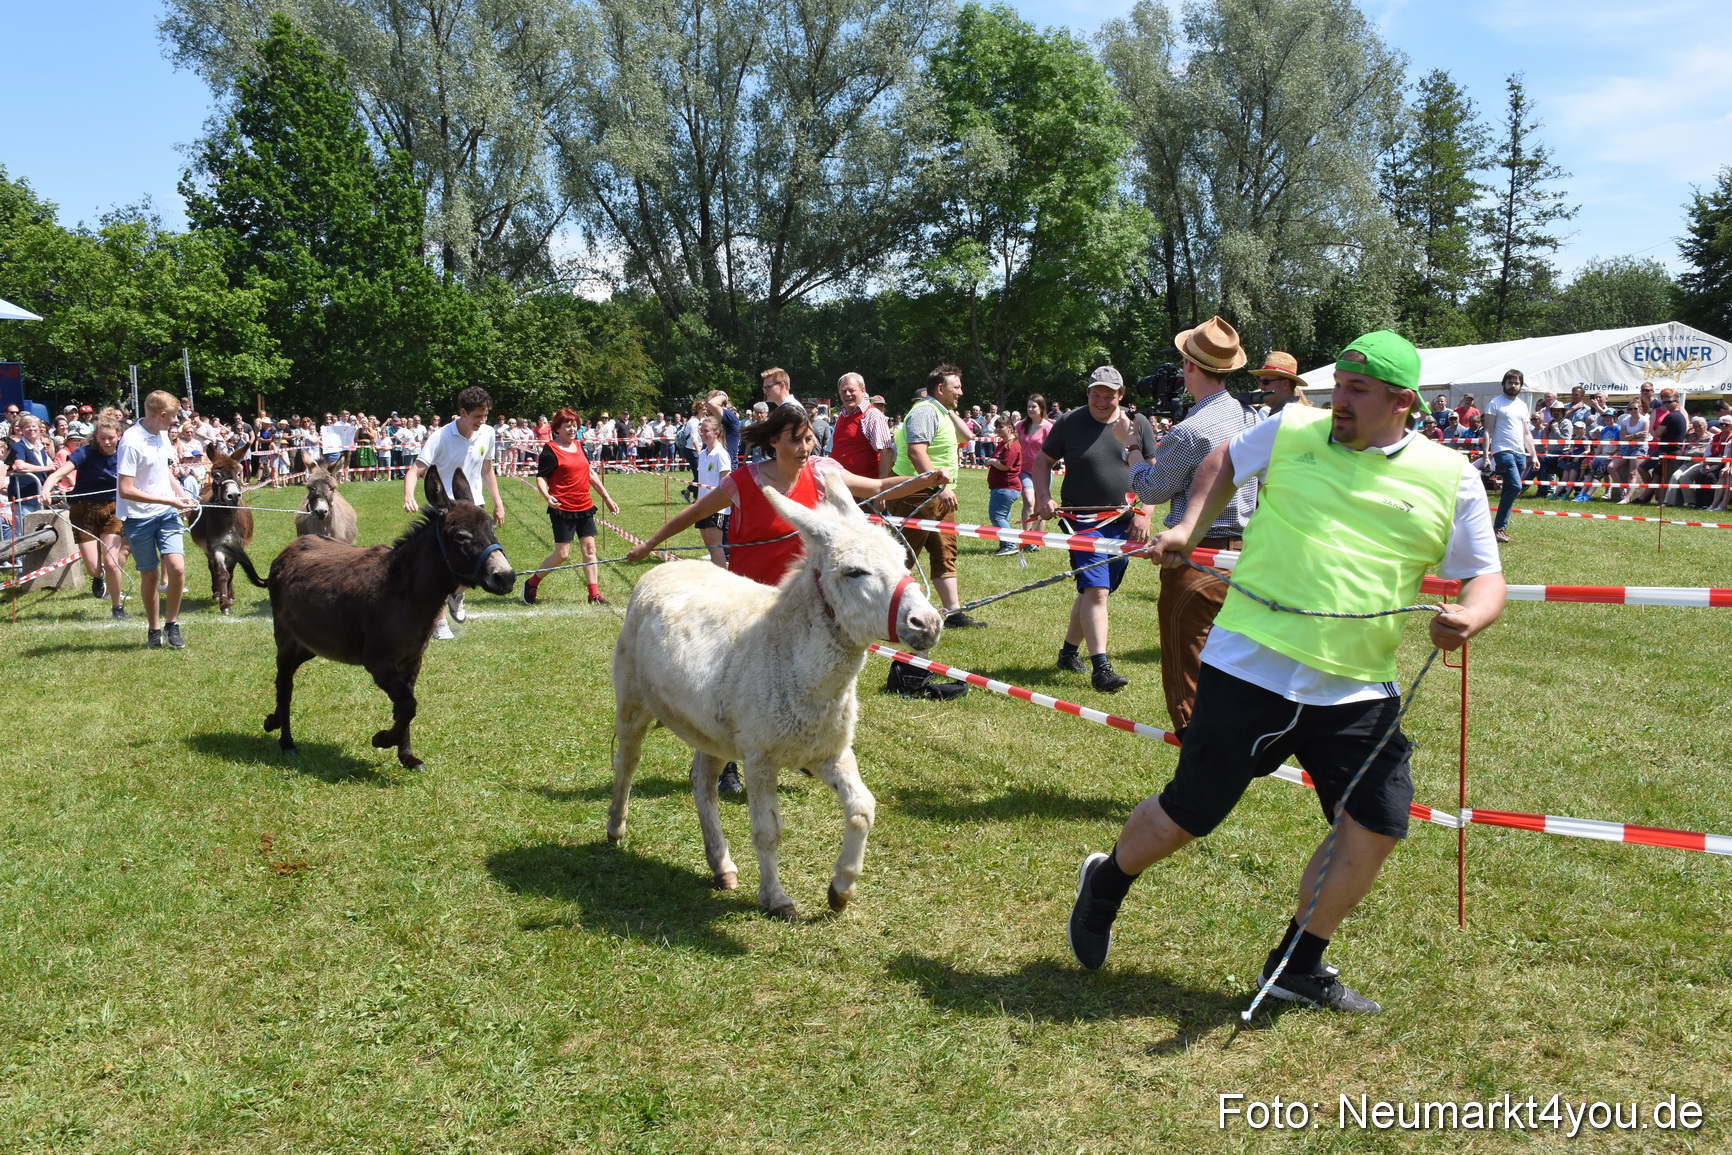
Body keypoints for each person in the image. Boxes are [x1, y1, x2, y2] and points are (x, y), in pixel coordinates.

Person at [1067, 330, 1506, 1014]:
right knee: (1191, 812)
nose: (1340, 403)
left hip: (1356, 687)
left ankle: (1298, 962)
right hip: (1251, 664)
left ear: (1403, 402)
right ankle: (1107, 882)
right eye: (1339, 389)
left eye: (1358, 392)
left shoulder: (1450, 475)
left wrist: (1471, 616)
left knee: (1378, 821)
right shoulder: (1292, 427)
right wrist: (1188, 528)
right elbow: (1220, 461)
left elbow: (1486, 576)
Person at [1121, 316, 1260, 728]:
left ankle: (1198, 773)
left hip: (1197, 558)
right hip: (1245, 557)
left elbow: (1151, 491)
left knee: (1189, 674)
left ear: (1190, 367)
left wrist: (1130, 448)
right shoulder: (1251, 419)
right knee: (1235, 667)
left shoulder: (1190, 431)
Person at [628, 404, 934, 585]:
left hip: (801, 595)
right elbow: (696, 512)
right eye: (796, 440)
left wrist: (927, 479)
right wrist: (649, 545)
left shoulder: (821, 471)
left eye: (809, 439)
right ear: (773, 441)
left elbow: (878, 487)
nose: (805, 448)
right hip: (750, 595)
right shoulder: (744, 480)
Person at [1031, 366, 1157, 693]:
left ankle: (1068, 654)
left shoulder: (1137, 424)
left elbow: (1154, 474)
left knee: (1094, 591)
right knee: (1097, 591)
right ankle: (1101, 668)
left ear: (1121, 394)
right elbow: (1042, 461)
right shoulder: (1070, 422)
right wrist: (1043, 497)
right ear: (1088, 393)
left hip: (1123, 523)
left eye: (1109, 395)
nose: (1101, 401)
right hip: (1082, 523)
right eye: (1095, 394)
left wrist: (1144, 513)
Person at [404, 385, 505, 640]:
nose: (482, 421)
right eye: (477, 416)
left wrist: (498, 502)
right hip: (446, 511)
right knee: (440, 568)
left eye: (485, 416)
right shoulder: (440, 437)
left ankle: (457, 594)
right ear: (463, 412)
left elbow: (487, 470)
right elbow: (416, 469)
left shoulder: (488, 434)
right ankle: (439, 625)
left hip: (474, 506)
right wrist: (408, 496)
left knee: (473, 558)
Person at [116, 391, 199, 648]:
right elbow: (125, 489)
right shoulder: (131, 441)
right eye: (174, 416)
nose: (176, 421)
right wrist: (169, 501)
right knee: (149, 575)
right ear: (162, 415)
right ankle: (154, 629)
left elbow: (163, 472)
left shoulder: (162, 435)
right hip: (138, 517)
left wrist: (182, 495)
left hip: (166, 513)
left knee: (177, 567)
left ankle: (172, 624)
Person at [522, 408, 619, 606]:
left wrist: (606, 497)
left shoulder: (578, 445)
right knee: (562, 554)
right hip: (562, 508)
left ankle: (594, 594)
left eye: (574, 425)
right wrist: (547, 496)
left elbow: (590, 473)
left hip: (584, 505)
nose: (572, 428)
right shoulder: (550, 449)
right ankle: (532, 582)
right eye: (568, 425)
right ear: (557, 428)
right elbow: (541, 476)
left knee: (590, 548)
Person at [43, 417, 130, 619]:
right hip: (83, 511)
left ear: (119, 436)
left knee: (111, 562)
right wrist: (47, 489)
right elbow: (58, 474)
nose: (106, 442)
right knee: (93, 567)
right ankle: (97, 578)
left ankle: (117, 607)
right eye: (102, 438)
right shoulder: (85, 453)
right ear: (96, 437)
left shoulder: (126, 454)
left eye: (111, 438)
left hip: (113, 510)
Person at [1481, 369, 1537, 542]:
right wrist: (1486, 456)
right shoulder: (1495, 403)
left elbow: (1526, 433)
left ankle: (1498, 529)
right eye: (1510, 382)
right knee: (1514, 486)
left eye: (1516, 383)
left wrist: (1533, 455)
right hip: (1502, 450)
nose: (1513, 386)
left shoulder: (1522, 405)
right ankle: (1498, 528)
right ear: (1503, 384)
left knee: (1509, 490)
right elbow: (1487, 430)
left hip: (1520, 452)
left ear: (1520, 385)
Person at [829, 372, 894, 481]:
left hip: (864, 489)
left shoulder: (872, 415)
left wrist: (881, 489)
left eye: (851, 390)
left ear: (863, 391)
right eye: (843, 391)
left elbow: (886, 452)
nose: (847, 394)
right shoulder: (843, 415)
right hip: (842, 486)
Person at [1015, 395, 1054, 548]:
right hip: (1024, 470)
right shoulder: (1020, 426)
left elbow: (1054, 451)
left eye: (1034, 407)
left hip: (1042, 471)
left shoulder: (1048, 428)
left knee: (1040, 506)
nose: (1030, 409)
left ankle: (1036, 541)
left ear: (1041, 408)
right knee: (1029, 500)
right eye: (1029, 406)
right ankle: (1025, 538)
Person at [983, 415, 1023, 556]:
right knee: (1003, 518)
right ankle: (1005, 545)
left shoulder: (1011, 446)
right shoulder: (1003, 443)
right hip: (1002, 487)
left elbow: (1006, 466)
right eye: (996, 426)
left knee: (997, 517)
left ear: (1009, 428)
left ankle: (1010, 545)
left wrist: (992, 461)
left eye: (1001, 427)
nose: (997, 429)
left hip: (1006, 487)